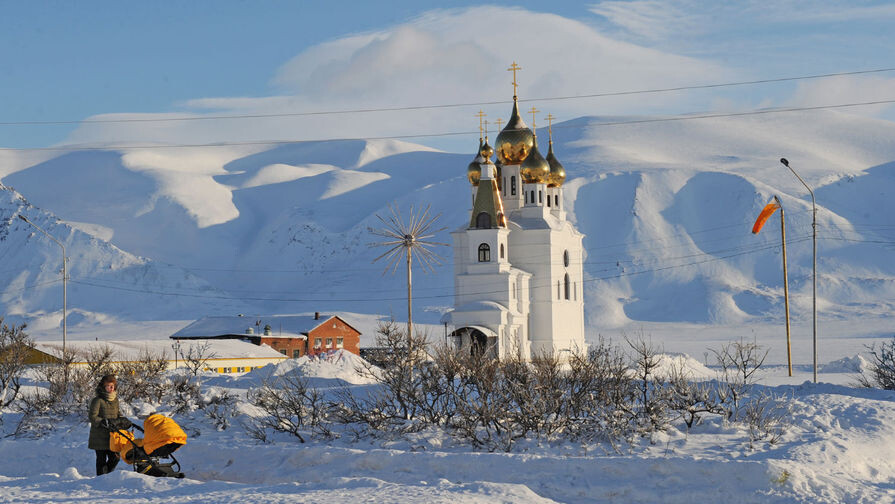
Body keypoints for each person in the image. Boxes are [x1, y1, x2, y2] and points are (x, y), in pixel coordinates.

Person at [88, 374, 121, 476]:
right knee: (101, 460)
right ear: (103, 386)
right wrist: (102, 422)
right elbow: (92, 417)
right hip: (99, 436)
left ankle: (107, 476)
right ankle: (101, 479)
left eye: (112, 386)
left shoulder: (115, 400)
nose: (110, 388)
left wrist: (122, 420)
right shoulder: (98, 400)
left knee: (115, 457)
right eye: (107, 386)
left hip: (112, 436)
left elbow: (117, 413)